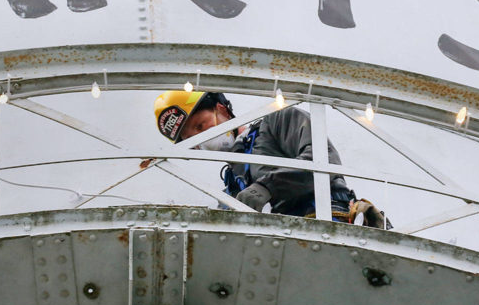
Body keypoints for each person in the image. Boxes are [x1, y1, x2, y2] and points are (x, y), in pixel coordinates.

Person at [153, 90, 386, 225]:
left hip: (326, 223)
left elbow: (323, 158)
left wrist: (268, 187)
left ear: (222, 110)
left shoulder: (276, 120)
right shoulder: (233, 180)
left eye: (200, 125)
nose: (201, 139)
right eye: (192, 139)